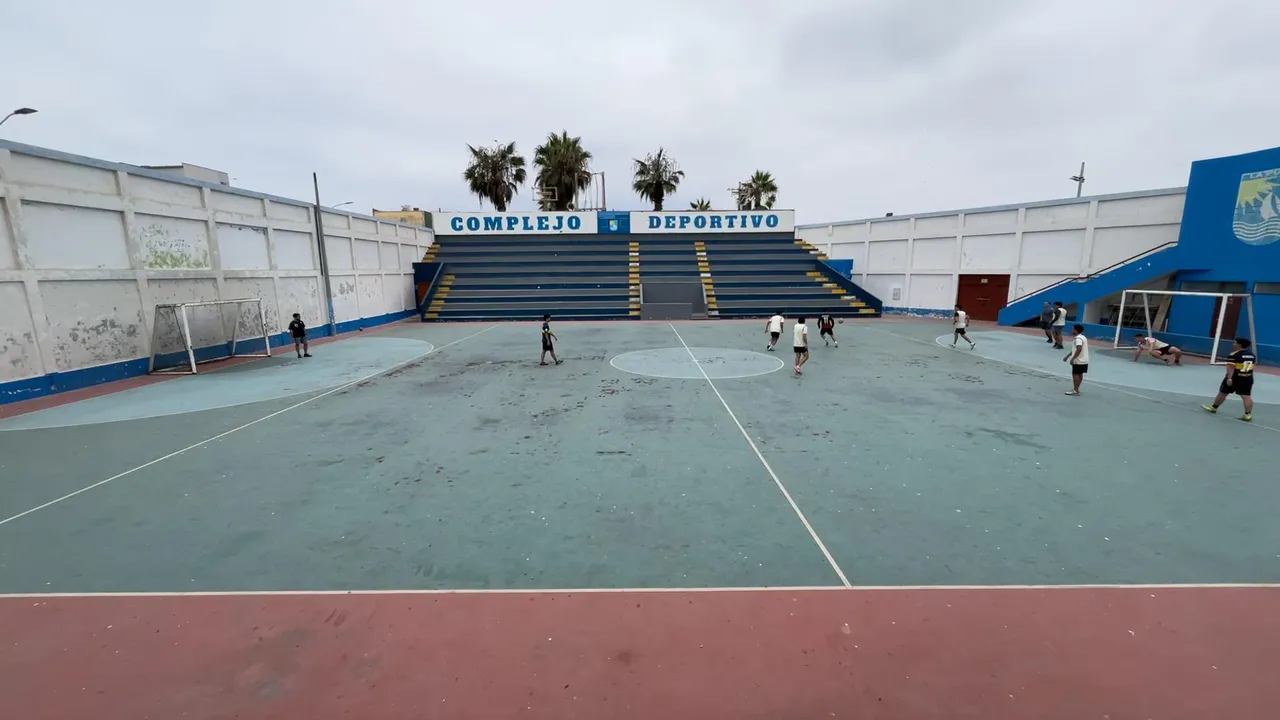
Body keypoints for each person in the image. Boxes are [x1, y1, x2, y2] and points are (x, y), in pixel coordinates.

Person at [1202, 337, 1255, 422]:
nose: (1233, 344)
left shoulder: (1234, 354)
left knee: (1223, 392)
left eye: (1235, 343)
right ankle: (1247, 414)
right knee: (1246, 396)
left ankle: (1214, 408)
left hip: (1235, 378)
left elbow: (1231, 367)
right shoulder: (1252, 355)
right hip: (1247, 378)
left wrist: (1229, 378)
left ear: (1239, 344)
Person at [1062, 323, 1089, 395]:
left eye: (1072, 329)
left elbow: (1079, 349)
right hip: (1084, 360)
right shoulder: (1083, 337)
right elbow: (1075, 349)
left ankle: (1075, 390)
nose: (1071, 330)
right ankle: (1077, 389)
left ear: (1076, 330)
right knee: (1080, 374)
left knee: (1075, 374)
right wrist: (1068, 356)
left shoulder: (1078, 339)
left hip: (1078, 360)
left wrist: (1073, 358)